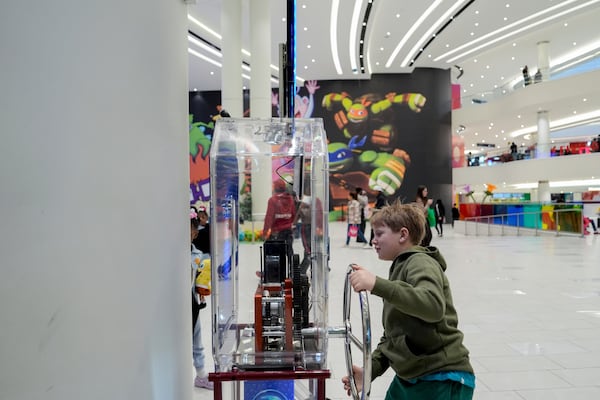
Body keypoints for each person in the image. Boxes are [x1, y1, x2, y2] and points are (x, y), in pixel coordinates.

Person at [342, 202, 475, 399]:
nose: (373, 241)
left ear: (403, 235)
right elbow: (394, 337)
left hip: (441, 377)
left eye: (379, 234)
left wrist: (377, 284)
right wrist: (370, 371)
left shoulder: (420, 262)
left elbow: (432, 305)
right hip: (411, 377)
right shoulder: (400, 269)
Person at [190, 210, 214, 390]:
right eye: (192, 231)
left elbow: (197, 278)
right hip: (176, 303)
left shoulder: (196, 253)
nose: (194, 234)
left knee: (197, 337)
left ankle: (200, 374)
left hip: (192, 302)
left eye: (195, 232)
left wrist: (201, 288)